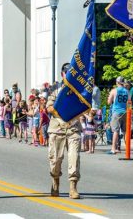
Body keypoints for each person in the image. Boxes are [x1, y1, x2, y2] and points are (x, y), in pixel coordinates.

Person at [47, 63, 82, 199]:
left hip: (73, 128)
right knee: (55, 160)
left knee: (74, 158)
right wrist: (63, 109)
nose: (69, 75)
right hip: (57, 128)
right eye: (67, 73)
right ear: (62, 74)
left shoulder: (80, 90)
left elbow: (86, 107)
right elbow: (49, 107)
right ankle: (55, 182)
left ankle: (73, 187)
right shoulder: (55, 89)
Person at [107, 76, 128, 155]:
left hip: (116, 111)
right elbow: (129, 102)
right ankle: (127, 148)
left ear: (117, 82)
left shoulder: (114, 91)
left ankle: (113, 148)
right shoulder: (127, 91)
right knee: (125, 131)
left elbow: (109, 102)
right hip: (125, 112)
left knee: (115, 131)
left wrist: (109, 99)